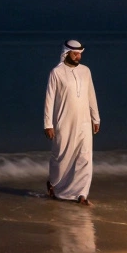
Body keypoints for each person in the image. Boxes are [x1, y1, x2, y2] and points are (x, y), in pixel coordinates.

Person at [43, 39, 100, 206]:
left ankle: (81, 194)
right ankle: (54, 183)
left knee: (85, 157)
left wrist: (96, 118)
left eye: (80, 54)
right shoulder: (57, 72)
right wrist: (48, 124)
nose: (78, 57)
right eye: (75, 54)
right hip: (64, 121)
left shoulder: (85, 71)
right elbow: (49, 99)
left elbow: (91, 95)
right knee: (62, 156)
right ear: (66, 53)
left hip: (84, 122)